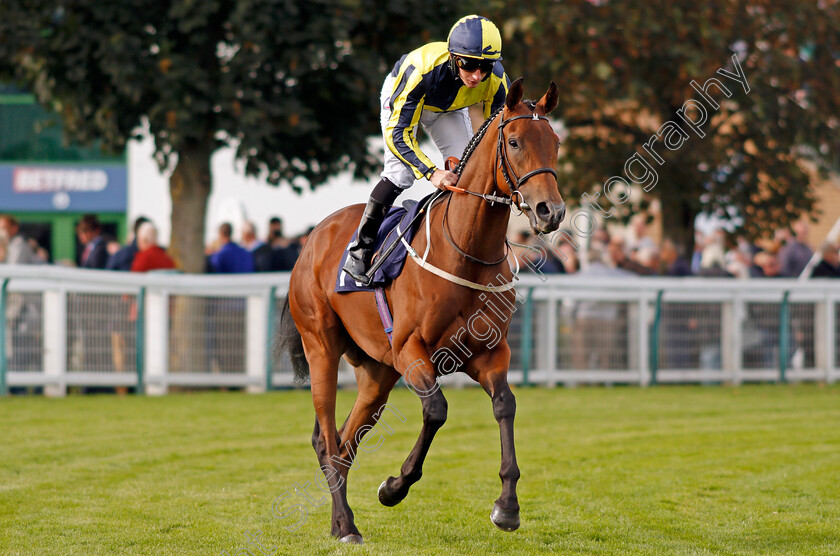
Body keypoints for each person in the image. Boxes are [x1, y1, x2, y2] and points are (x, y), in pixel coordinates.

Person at [342, 14, 511, 284]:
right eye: (469, 65)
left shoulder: (498, 83)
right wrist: (431, 172)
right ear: (455, 58)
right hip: (406, 99)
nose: (477, 76)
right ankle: (360, 250)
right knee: (401, 174)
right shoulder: (424, 70)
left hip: (448, 108)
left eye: (486, 67)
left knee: (468, 171)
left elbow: (495, 136)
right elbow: (398, 135)